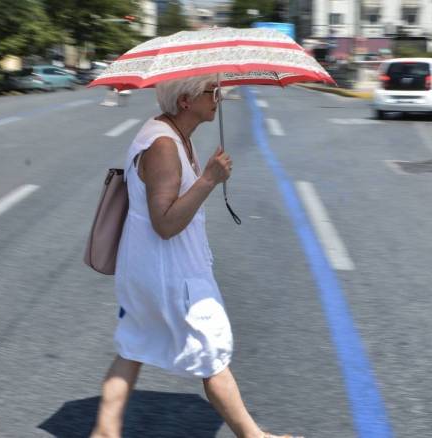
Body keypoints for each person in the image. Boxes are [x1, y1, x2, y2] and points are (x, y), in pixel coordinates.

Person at [90, 74, 300, 438]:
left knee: (134, 346)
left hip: (148, 269)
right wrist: (208, 180)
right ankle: (254, 437)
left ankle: (104, 433)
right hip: (170, 276)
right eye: (211, 91)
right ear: (186, 101)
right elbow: (165, 223)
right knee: (212, 352)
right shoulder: (163, 147)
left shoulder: (172, 135)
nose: (218, 97)